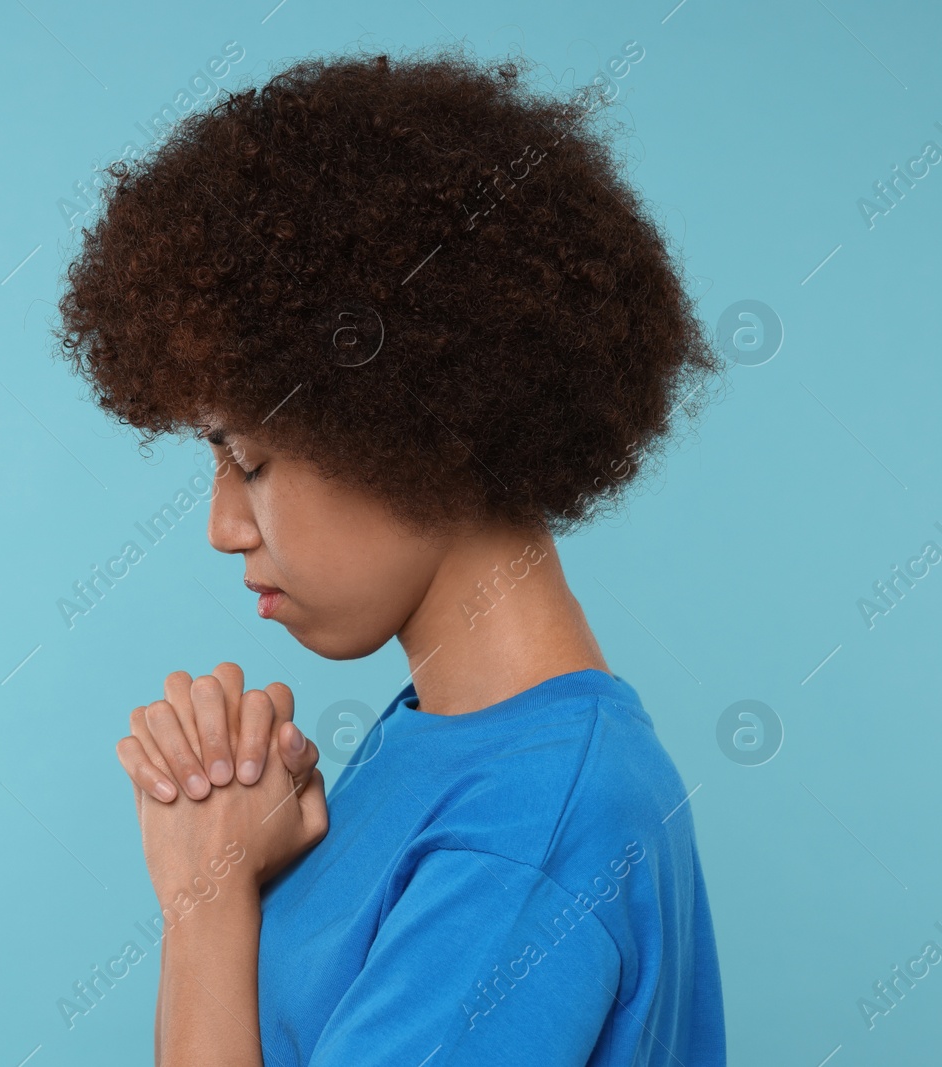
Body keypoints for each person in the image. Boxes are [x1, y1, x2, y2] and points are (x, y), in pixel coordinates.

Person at [53, 45, 727, 1066]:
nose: (222, 524)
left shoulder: (525, 830)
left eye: (248, 457)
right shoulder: (453, 742)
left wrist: (204, 901)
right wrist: (239, 847)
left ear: (409, 424)